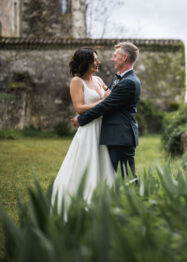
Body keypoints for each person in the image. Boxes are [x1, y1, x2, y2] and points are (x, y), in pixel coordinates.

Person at [52, 47, 115, 209]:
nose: (97, 63)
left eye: (97, 59)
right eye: (94, 60)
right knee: (86, 162)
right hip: (89, 129)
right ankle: (81, 200)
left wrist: (109, 98)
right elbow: (79, 108)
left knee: (104, 163)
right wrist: (103, 102)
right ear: (85, 62)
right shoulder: (76, 82)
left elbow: (112, 96)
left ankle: (103, 201)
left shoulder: (99, 80)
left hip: (104, 127)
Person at [71, 42, 141, 179]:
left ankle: (137, 199)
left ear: (125, 58)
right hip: (111, 134)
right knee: (113, 177)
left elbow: (105, 105)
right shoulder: (118, 77)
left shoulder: (129, 82)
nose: (112, 59)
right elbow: (106, 97)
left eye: (115, 56)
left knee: (127, 178)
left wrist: (81, 120)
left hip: (121, 136)